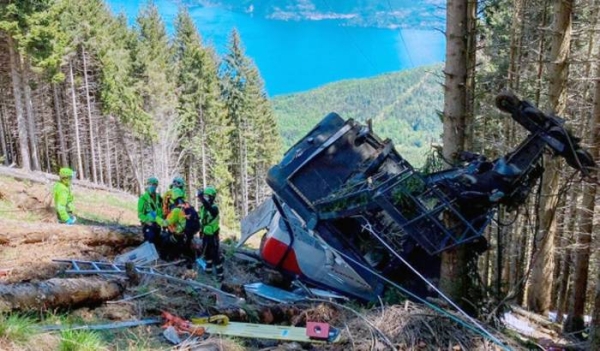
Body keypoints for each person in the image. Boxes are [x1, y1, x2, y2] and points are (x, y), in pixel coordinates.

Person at [157, 187, 195, 261]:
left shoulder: (176, 211)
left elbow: (165, 223)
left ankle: (168, 258)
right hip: (185, 235)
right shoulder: (185, 207)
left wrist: (156, 217)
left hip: (178, 236)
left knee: (164, 242)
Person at [197, 186, 223, 282]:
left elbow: (210, 210)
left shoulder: (214, 208)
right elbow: (202, 220)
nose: (206, 197)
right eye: (205, 196)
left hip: (213, 236)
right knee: (207, 254)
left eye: (208, 196)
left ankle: (220, 274)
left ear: (212, 197)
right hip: (205, 235)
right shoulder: (203, 208)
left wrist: (201, 198)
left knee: (215, 255)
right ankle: (208, 271)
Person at [137, 177, 163, 244]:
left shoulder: (159, 198)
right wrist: (146, 221)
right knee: (150, 241)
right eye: (150, 184)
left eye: (154, 185)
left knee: (158, 243)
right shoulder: (143, 198)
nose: (152, 186)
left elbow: (162, 211)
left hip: (158, 225)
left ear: (156, 186)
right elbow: (140, 213)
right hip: (148, 225)